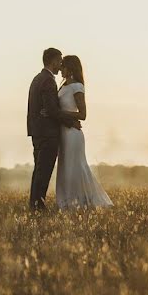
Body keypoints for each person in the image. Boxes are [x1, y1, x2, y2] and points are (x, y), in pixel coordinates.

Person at [49, 55, 113, 209]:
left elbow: (83, 114)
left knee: (75, 167)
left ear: (69, 68)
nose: (60, 68)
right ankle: (66, 201)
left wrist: (60, 113)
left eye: (63, 66)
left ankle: (79, 201)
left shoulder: (77, 87)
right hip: (64, 132)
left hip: (72, 134)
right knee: (65, 167)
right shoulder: (63, 86)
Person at [27, 48, 80, 210]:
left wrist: (47, 112)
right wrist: (71, 121)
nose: (60, 65)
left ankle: (34, 204)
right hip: (48, 133)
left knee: (39, 170)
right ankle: (38, 205)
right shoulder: (49, 81)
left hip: (37, 131)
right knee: (44, 171)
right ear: (53, 61)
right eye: (59, 61)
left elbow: (46, 108)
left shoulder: (38, 78)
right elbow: (52, 110)